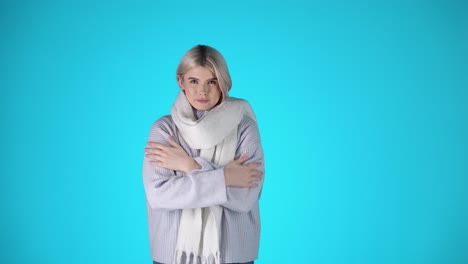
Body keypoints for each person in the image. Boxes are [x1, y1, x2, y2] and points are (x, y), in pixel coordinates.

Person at [142, 45, 265, 264]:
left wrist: (189, 166)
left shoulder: (244, 127)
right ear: (181, 82)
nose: (202, 91)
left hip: (232, 255)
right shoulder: (164, 130)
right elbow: (159, 196)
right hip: (173, 255)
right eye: (194, 81)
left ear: (223, 82)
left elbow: (245, 197)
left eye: (212, 81)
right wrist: (225, 177)